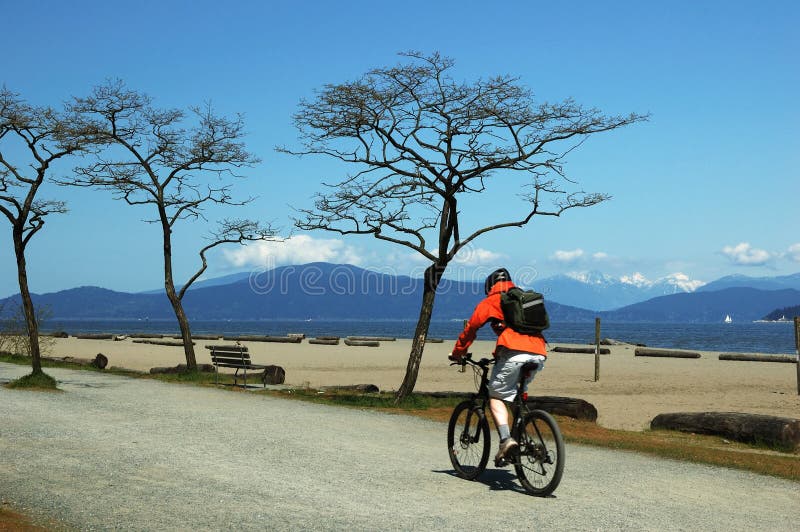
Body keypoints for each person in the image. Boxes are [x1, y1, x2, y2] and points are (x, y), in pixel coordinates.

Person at [448, 268, 547, 462]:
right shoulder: (523, 298)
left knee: (495, 395)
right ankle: (525, 439)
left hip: (512, 352)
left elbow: (471, 328)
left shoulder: (492, 300)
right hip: (538, 352)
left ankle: (506, 440)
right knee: (515, 396)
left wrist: (458, 352)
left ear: (489, 286)